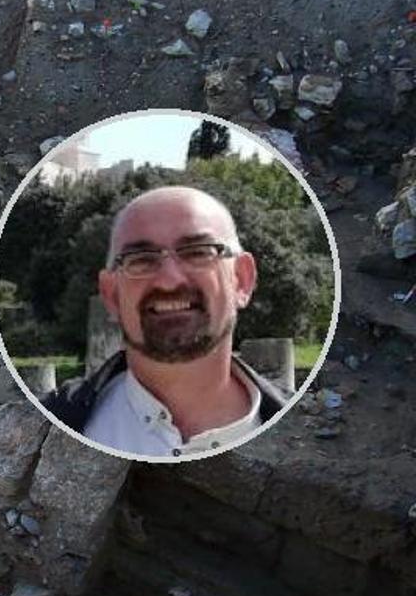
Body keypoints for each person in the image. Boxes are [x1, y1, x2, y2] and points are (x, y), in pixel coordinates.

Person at [41, 186, 289, 457]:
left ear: (241, 280)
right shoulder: (46, 427)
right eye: (141, 259)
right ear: (112, 296)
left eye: (198, 252)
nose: (170, 280)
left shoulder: (306, 434)